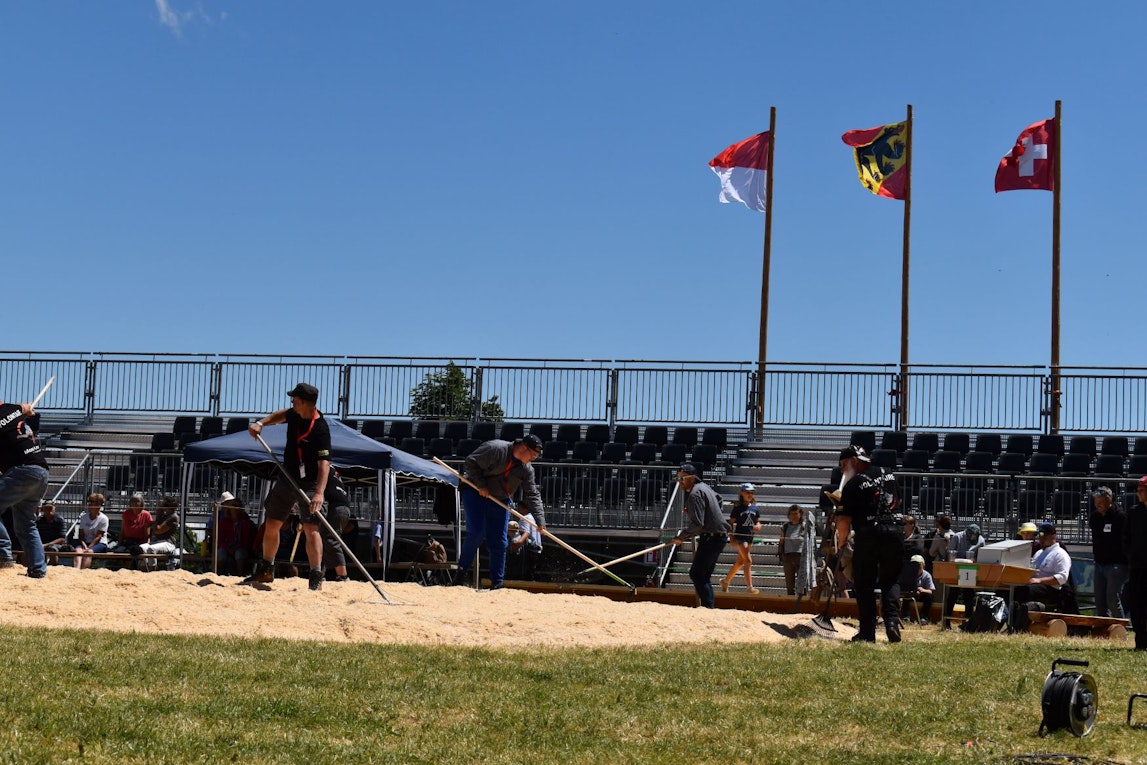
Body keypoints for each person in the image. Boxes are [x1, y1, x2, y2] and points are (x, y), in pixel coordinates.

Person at [244, 383, 331, 591]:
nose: (291, 402)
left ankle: (316, 575)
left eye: (294, 399)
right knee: (272, 522)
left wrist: (319, 493)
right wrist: (260, 423)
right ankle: (266, 568)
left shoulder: (320, 429)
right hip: (288, 476)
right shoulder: (294, 414)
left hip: (309, 482)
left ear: (303, 402)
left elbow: (324, 464)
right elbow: (279, 415)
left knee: (311, 528)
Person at [455, 434, 546, 591]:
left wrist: (540, 521)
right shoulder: (495, 448)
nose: (533, 459)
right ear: (524, 447)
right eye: (532, 455)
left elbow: (532, 494)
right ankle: (460, 574)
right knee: (476, 533)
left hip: (500, 499)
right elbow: (471, 462)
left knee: (499, 541)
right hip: (475, 491)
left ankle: (497, 583)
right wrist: (481, 484)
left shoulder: (527, 469)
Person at [834, 445, 903, 643]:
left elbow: (844, 521)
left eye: (843, 465)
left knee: (864, 584)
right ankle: (891, 623)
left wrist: (841, 543)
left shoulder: (852, 485)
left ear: (854, 461)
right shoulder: (889, 474)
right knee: (891, 580)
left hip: (869, 534)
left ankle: (867, 632)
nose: (841, 471)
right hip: (895, 532)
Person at [668, 463, 731, 609]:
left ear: (691, 478)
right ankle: (709, 607)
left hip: (711, 537)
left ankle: (709, 608)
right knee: (704, 575)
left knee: (696, 574)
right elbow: (719, 498)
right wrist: (713, 514)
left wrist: (681, 537)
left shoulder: (695, 494)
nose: (680, 482)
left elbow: (697, 524)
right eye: (678, 479)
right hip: (718, 536)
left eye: (682, 479)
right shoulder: (705, 487)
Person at [0, 395, 50, 578]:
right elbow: (26, 407)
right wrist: (27, 410)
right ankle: (37, 570)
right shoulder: (12, 408)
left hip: (21, 470)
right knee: (26, 525)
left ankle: (3, 553)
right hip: (41, 471)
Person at [1013, 522, 1073, 623]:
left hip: (1051, 590)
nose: (1041, 539)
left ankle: (1020, 622)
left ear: (1053, 536)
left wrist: (1039, 580)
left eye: (1045, 537)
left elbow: (1062, 578)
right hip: (1035, 585)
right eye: (1040, 537)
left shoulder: (1060, 554)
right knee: (1010, 590)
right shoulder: (1039, 553)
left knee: (1023, 591)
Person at [1089, 485, 1128, 619]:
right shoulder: (1094, 518)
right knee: (1099, 602)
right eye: (1096, 501)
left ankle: (1121, 629)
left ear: (1109, 500)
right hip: (1099, 564)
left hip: (1116, 565)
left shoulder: (1120, 517)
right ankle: (1103, 632)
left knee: (1112, 600)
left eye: (1101, 501)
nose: (1098, 504)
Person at [942, 523, 985, 627]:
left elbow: (982, 555)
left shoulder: (981, 540)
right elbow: (950, 553)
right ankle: (946, 622)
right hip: (956, 568)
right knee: (953, 594)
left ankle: (968, 623)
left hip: (971, 569)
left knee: (968, 596)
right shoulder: (957, 537)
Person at [721, 483, 761, 594]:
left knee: (740, 562)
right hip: (740, 537)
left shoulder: (755, 507)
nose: (750, 495)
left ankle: (726, 580)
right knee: (748, 561)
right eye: (747, 492)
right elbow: (730, 523)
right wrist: (731, 536)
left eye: (751, 493)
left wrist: (758, 526)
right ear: (742, 493)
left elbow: (757, 521)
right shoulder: (738, 508)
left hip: (749, 538)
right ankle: (749, 587)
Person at [1123, 475, 1147, 651]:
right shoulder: (1133, 512)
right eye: (1138, 491)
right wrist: (1130, 556)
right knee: (1137, 604)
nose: (1138, 494)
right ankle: (1140, 642)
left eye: (1141, 491)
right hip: (1137, 566)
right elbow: (1126, 538)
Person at [320, 471, 355, 582]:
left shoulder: (323, 468)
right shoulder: (334, 473)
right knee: (324, 540)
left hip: (336, 508)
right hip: (344, 508)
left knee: (330, 539)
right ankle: (321, 573)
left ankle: (342, 575)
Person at [215, 495, 256, 576]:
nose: (235, 508)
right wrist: (228, 548)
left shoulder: (245, 522)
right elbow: (220, 539)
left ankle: (239, 575)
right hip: (227, 546)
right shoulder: (224, 522)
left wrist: (236, 548)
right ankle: (219, 574)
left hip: (241, 547)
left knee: (239, 553)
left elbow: (246, 540)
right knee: (221, 553)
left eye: (237, 506)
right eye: (233, 506)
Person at [139, 495, 181, 570]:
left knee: (151, 549)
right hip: (157, 541)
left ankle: (152, 570)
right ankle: (144, 570)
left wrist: (158, 515)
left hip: (168, 543)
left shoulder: (173, 517)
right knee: (142, 548)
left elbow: (158, 530)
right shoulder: (164, 516)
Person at [112, 493, 154, 567]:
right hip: (129, 541)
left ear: (141, 503)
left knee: (133, 551)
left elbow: (146, 534)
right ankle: (127, 567)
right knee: (118, 551)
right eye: (133, 501)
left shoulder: (146, 514)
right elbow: (123, 531)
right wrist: (119, 543)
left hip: (140, 541)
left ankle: (132, 567)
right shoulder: (126, 514)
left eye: (137, 501)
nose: (135, 503)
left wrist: (143, 546)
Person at [74, 493, 111, 570]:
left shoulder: (104, 519)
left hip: (100, 543)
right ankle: (76, 570)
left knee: (88, 552)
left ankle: (84, 571)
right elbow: (81, 535)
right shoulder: (84, 517)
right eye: (91, 501)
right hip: (85, 542)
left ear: (100, 504)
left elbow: (98, 537)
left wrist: (88, 548)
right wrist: (84, 545)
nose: (92, 504)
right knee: (78, 551)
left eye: (95, 502)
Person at [901, 554, 935, 625]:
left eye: (919, 564)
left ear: (923, 565)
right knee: (906, 597)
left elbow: (931, 591)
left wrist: (923, 590)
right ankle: (905, 617)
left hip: (922, 595)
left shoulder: (927, 575)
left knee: (929, 597)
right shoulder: (908, 574)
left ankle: (924, 617)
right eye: (914, 565)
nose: (917, 567)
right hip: (911, 594)